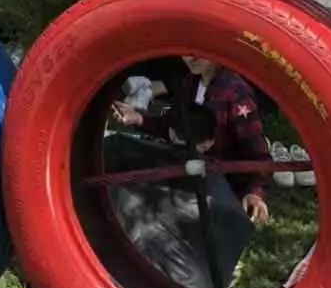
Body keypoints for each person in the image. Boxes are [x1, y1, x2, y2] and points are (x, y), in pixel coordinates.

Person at [114, 56, 271, 226]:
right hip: (187, 173)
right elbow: (174, 124)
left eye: (198, 50)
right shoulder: (190, 81)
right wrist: (139, 118)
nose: (191, 56)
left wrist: (255, 193)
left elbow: (258, 154)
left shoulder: (237, 96)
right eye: (186, 50)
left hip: (218, 184)